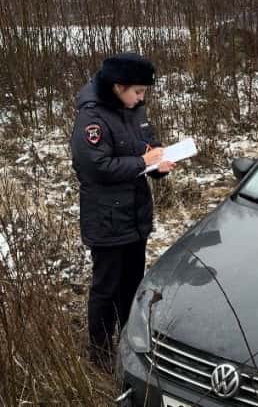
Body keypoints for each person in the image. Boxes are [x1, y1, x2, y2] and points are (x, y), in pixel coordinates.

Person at [70, 52, 174, 368]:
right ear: (118, 87)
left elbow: (146, 145)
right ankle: (100, 356)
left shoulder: (134, 110)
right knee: (106, 289)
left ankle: (128, 347)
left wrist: (158, 164)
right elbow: (94, 167)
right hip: (106, 218)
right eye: (137, 92)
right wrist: (143, 162)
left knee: (132, 283)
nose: (141, 98)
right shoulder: (92, 117)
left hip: (136, 214)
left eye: (144, 92)